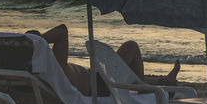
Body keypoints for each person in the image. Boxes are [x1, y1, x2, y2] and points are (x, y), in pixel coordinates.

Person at [11, 23, 181, 94]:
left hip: (99, 81)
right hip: (102, 85)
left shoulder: (38, 71)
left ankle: (153, 85)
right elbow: (62, 30)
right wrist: (36, 41)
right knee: (131, 46)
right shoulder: (57, 69)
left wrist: (26, 44)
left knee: (136, 80)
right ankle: (152, 87)